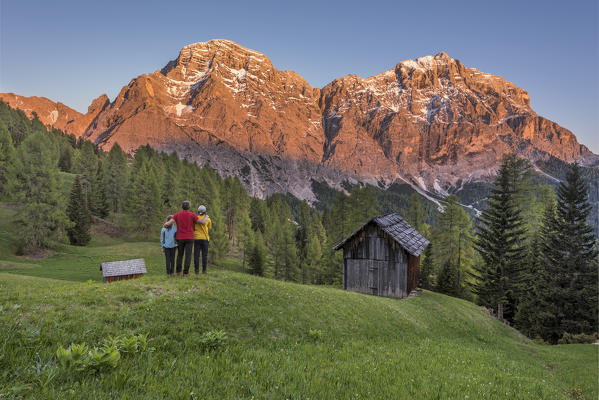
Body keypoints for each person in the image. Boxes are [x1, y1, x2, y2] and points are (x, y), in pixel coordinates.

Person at [166, 200, 203, 276]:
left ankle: (178, 272)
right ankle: (186, 273)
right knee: (188, 255)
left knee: (180, 255)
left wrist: (165, 224)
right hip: (189, 237)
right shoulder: (192, 215)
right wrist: (206, 217)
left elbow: (169, 223)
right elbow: (201, 222)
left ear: (182, 207)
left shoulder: (177, 215)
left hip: (180, 238)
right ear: (189, 207)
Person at [193, 205, 212, 274]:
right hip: (205, 239)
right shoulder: (208, 219)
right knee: (204, 255)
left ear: (198, 211)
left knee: (196, 255)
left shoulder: (196, 218)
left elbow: (193, 227)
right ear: (205, 211)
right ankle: (204, 271)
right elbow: (209, 228)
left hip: (196, 238)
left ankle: (196, 271)